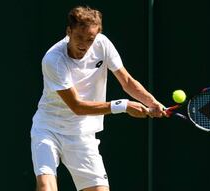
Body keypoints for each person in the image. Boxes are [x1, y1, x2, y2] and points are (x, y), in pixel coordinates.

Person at [30, 5, 166, 191]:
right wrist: (123, 106)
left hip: (82, 133)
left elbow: (126, 81)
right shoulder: (53, 59)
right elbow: (76, 106)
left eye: (90, 39)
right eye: (79, 37)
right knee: (47, 187)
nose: (83, 44)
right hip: (49, 130)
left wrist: (152, 102)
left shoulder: (103, 44)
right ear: (68, 31)